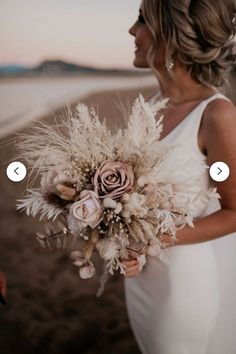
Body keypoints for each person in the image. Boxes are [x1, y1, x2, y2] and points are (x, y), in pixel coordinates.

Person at [122, 1, 236, 353]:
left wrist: (156, 237)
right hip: (143, 280)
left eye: (142, 19)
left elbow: (235, 211)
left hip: (185, 283)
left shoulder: (216, 115)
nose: (131, 31)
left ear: (170, 36)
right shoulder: (151, 105)